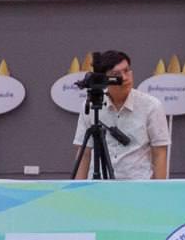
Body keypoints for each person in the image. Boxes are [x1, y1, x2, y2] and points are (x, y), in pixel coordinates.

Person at [72, 50, 170, 180]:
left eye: (127, 71)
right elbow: (84, 153)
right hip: (99, 186)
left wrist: (159, 189)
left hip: (137, 185)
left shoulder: (151, 106)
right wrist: (79, 189)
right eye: (116, 75)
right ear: (104, 79)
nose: (124, 78)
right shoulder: (91, 105)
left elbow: (160, 152)